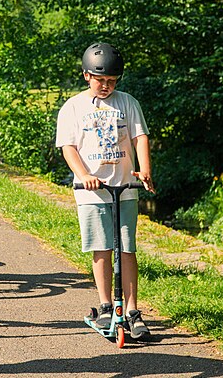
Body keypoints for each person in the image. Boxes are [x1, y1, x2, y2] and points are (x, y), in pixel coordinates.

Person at [55, 43, 155, 340]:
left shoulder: (127, 102)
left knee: (127, 248)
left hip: (124, 187)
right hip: (92, 192)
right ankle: (106, 305)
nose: (106, 86)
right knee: (102, 248)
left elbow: (140, 136)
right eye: (100, 80)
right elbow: (68, 147)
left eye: (112, 81)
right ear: (86, 76)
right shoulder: (73, 107)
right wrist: (83, 175)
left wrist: (145, 169)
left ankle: (133, 310)